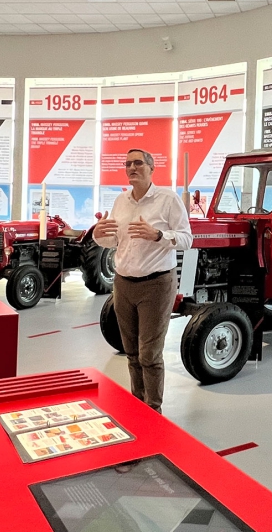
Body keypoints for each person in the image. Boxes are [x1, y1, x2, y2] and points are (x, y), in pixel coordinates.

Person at [93, 149, 192, 413]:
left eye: (138, 163)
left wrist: (157, 235)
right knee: (132, 352)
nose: (132, 168)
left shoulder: (168, 199)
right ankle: (139, 405)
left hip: (156, 284)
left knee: (149, 354)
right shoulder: (120, 201)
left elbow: (186, 239)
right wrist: (98, 235)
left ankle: (154, 410)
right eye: (128, 164)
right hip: (123, 283)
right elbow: (114, 240)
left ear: (151, 168)